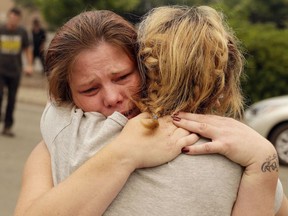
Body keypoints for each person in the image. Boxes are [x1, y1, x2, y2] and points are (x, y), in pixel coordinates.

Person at [14, 7, 286, 216]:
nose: (113, 98)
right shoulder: (63, 129)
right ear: (68, 97)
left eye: (122, 77)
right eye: (89, 90)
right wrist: (126, 153)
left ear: (147, 68)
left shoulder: (62, 131)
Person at [0, 7, 33, 137]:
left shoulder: (22, 32)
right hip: (0, 70)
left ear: (19, 20)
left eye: (16, 19)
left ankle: (7, 127)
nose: (13, 21)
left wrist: (29, 65)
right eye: (11, 18)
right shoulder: (1, 29)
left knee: (12, 100)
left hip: (15, 71)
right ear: (8, 17)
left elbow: (28, 49)